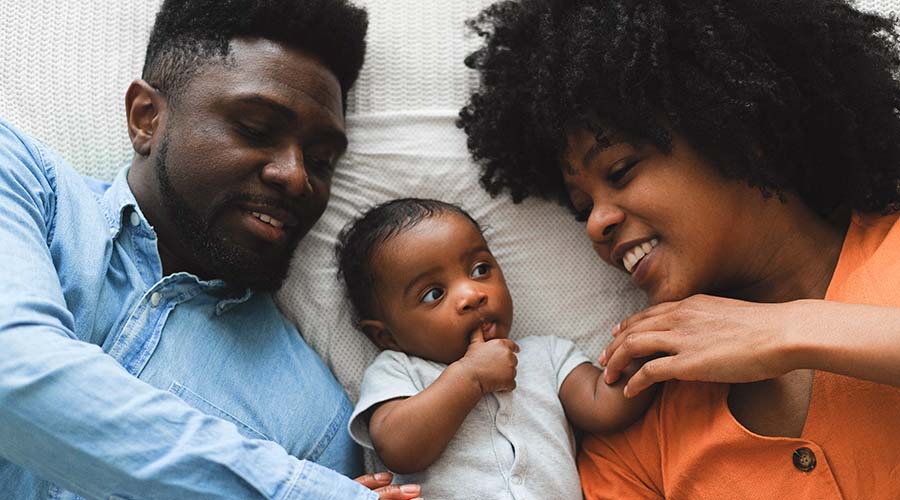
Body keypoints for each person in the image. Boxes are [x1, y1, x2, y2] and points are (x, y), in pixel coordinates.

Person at [458, 0, 900, 498]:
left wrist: (785, 331)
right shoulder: (632, 438)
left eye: (620, 171)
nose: (597, 224)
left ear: (733, 128)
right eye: (583, 209)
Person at [0, 0, 421, 499]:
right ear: (146, 118)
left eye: (321, 159)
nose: (296, 177)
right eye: (255, 129)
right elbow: (14, 372)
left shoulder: (319, 422)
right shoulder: (24, 182)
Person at [334, 198, 654, 499]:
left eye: (480, 270)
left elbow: (604, 406)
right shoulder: (398, 371)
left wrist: (641, 354)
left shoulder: (548, 356)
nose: (472, 294)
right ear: (386, 337)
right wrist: (470, 377)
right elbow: (399, 448)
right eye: (434, 294)